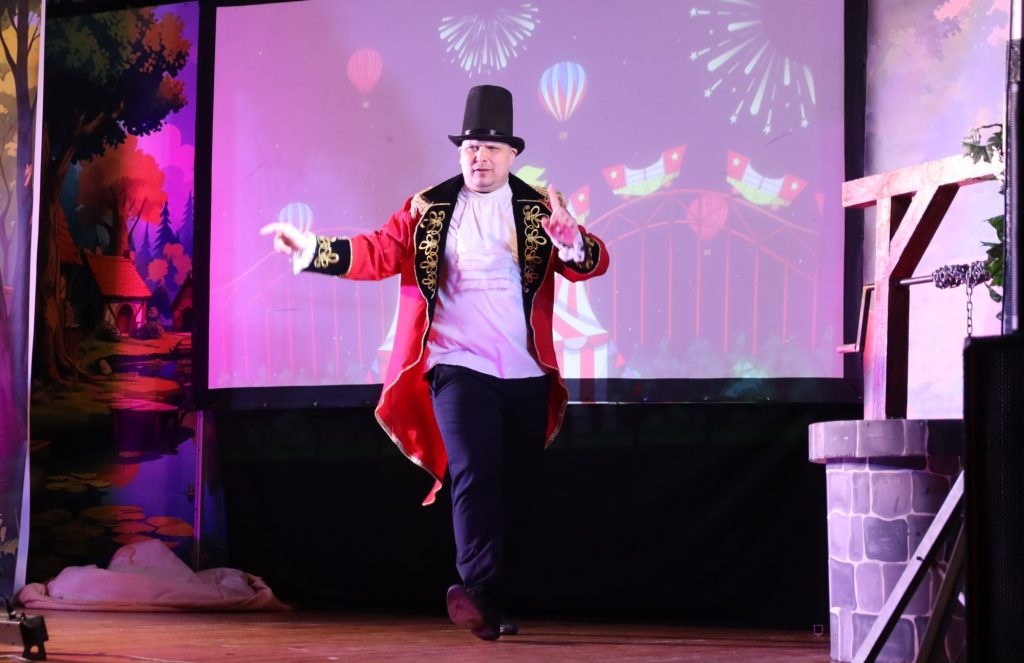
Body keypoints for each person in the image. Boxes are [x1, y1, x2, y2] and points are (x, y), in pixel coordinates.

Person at [260, 85, 609, 640]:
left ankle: (490, 599)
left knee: (515, 490)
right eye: (470, 147)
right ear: (460, 152)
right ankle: (474, 587)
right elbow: (379, 250)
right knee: (473, 470)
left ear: (512, 154)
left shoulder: (540, 209)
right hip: (456, 366)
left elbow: (592, 262)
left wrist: (573, 243)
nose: (479, 157)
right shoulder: (428, 208)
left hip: (524, 374)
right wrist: (311, 250)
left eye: (490, 148)